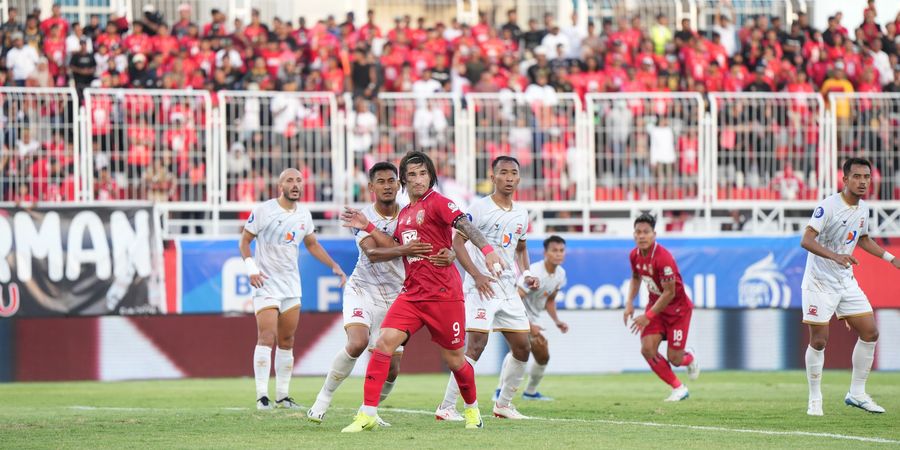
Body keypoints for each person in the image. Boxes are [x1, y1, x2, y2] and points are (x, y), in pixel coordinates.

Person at [340, 151, 505, 432]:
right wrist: (367, 225)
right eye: (412, 175)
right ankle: (367, 413)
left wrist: (487, 251)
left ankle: (472, 409)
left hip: (443, 295)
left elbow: (464, 225)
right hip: (412, 295)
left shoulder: (439, 203)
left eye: (423, 173)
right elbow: (393, 245)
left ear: (431, 176)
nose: (418, 180)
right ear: (404, 179)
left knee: (455, 360)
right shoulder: (404, 214)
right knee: (383, 344)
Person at [306, 162, 456, 425]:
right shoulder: (362, 218)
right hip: (363, 289)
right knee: (357, 342)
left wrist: (451, 253)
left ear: (400, 185)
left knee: (392, 370)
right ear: (371, 187)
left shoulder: (411, 214)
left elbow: (439, 243)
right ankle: (322, 400)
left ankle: (369, 411)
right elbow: (373, 254)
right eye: (381, 181)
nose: (387, 186)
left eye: (392, 181)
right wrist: (405, 250)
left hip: (398, 294)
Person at [436, 156, 537, 420]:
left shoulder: (521, 214)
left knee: (523, 347)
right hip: (481, 288)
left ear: (518, 178)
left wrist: (526, 273)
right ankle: (446, 407)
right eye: (503, 173)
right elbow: (458, 243)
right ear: (492, 178)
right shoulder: (478, 208)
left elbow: (521, 248)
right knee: (476, 346)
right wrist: (477, 275)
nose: (509, 178)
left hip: (507, 289)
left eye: (514, 173)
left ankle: (503, 405)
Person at [239, 168, 348, 410]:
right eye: (290, 180)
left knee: (287, 340)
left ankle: (282, 396)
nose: (295, 184)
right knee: (267, 337)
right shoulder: (263, 211)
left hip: (291, 285)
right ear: (281, 185)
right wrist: (251, 268)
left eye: (299, 180)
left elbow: (312, 244)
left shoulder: (304, 215)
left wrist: (334, 266)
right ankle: (261, 397)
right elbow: (244, 241)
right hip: (266, 282)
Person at [800, 158, 896, 416]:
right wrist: (836, 256)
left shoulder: (863, 209)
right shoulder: (828, 206)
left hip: (845, 280)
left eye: (866, 176)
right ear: (845, 180)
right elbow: (806, 240)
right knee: (819, 341)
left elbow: (862, 239)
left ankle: (857, 393)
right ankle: (815, 398)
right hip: (819, 282)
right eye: (857, 177)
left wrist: (891, 258)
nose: (863, 181)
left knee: (870, 332)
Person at [624, 213, 699, 401]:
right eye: (638, 232)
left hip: (677, 311)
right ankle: (679, 388)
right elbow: (635, 278)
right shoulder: (634, 255)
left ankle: (688, 357)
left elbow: (669, 293)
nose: (641, 236)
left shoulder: (663, 258)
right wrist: (629, 303)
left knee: (675, 359)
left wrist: (647, 315)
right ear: (634, 234)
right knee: (647, 349)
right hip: (656, 308)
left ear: (654, 235)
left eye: (646, 232)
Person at [495, 235, 568, 401]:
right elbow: (516, 297)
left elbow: (549, 300)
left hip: (535, 318)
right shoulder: (535, 272)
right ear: (545, 253)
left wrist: (557, 321)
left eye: (561, 250)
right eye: (554, 250)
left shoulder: (561, 274)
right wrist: (528, 324)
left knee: (543, 356)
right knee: (518, 350)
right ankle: (500, 391)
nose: (558, 254)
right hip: (516, 314)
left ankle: (530, 392)